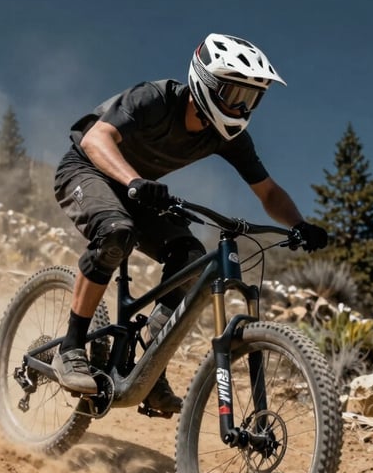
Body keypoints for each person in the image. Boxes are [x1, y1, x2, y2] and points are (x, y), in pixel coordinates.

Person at [52, 33, 328, 413]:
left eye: (251, 99)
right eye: (235, 94)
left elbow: (268, 192)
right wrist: (133, 182)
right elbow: (97, 139)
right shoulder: (154, 99)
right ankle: (70, 348)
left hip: (139, 190)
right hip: (88, 170)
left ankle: (150, 364)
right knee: (117, 232)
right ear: (207, 83)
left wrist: (300, 223)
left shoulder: (227, 138)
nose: (242, 107)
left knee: (190, 257)